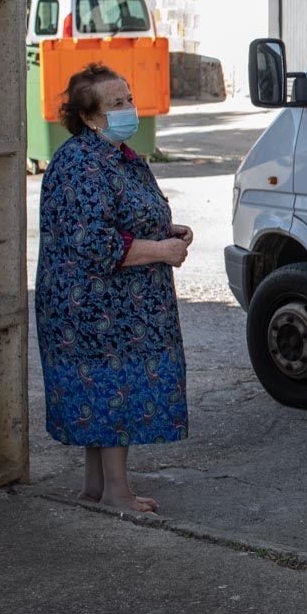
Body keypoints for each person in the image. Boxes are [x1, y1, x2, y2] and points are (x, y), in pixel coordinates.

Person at [36, 64, 191, 513]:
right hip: (93, 309)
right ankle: (118, 493)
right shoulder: (82, 163)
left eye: (128, 98)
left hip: (115, 305)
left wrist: (168, 231)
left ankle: (96, 489)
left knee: (99, 392)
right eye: (116, 103)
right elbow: (96, 243)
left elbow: (128, 218)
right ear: (89, 117)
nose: (129, 108)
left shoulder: (116, 155)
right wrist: (162, 250)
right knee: (109, 390)